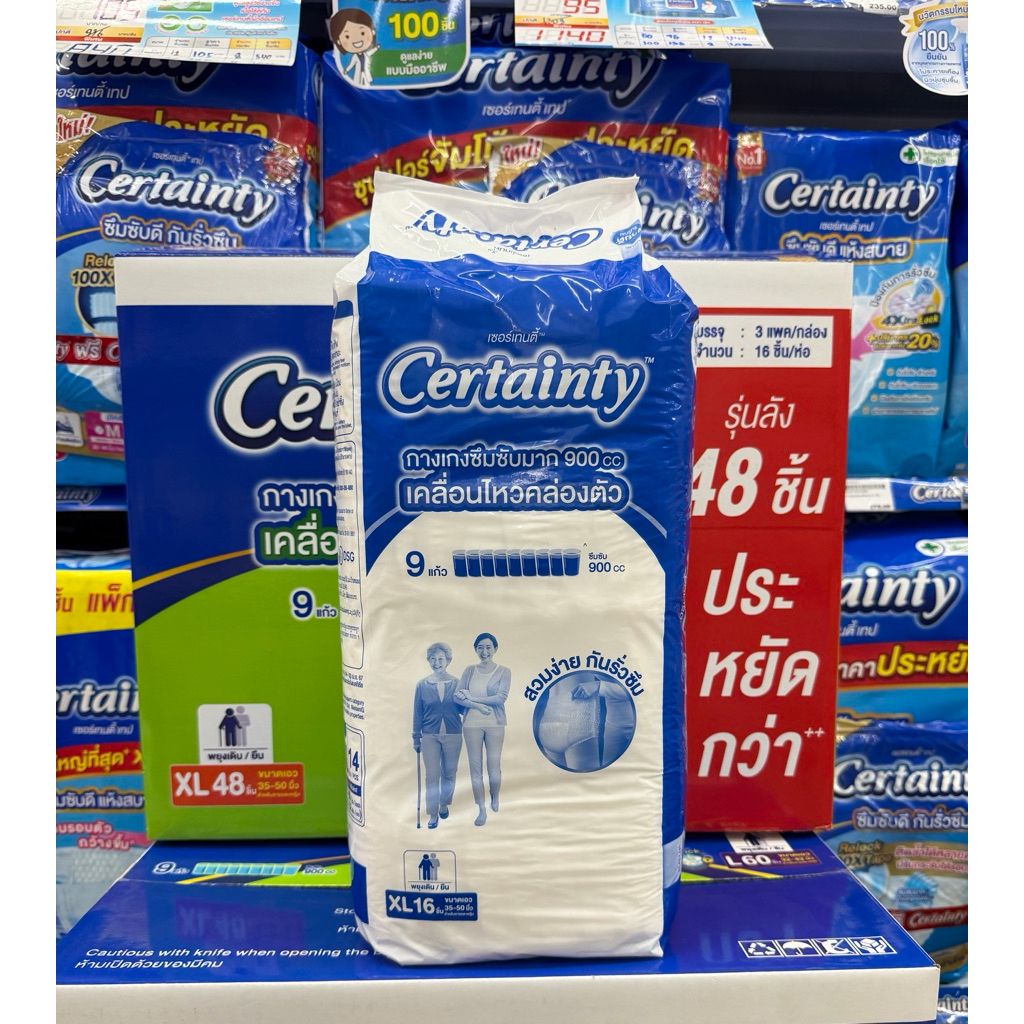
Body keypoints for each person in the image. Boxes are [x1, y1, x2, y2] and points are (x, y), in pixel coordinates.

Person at [412, 642, 481, 829]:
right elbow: (417, 714)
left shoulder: (457, 684)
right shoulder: (422, 685)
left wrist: (470, 699)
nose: (437, 662)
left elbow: (463, 710)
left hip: (453, 734)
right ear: (428, 661)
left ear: (448, 660)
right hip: (429, 736)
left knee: (449, 773)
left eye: (441, 658)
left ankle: (444, 803)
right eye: (433, 659)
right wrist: (416, 737)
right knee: (432, 776)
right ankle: (433, 813)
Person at [455, 633, 511, 826]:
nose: (484, 651)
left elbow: (500, 698)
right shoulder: (469, 671)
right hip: (471, 724)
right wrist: (476, 705)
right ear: (475, 650)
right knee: (475, 768)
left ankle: (495, 796)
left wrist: (472, 698)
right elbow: (456, 696)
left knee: (493, 766)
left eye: (488, 647)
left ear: (495, 649)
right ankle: (481, 808)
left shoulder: (504, 671)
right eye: (480, 647)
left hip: (495, 723)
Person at [330, 8, 380, 89]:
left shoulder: (365, 54)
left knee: (366, 83)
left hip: (366, 73)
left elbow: (371, 52)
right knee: (360, 85)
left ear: (373, 32)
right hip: (358, 75)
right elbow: (351, 64)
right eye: (347, 36)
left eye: (362, 33)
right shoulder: (354, 56)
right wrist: (346, 70)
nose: (356, 39)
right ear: (338, 41)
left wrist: (376, 48)